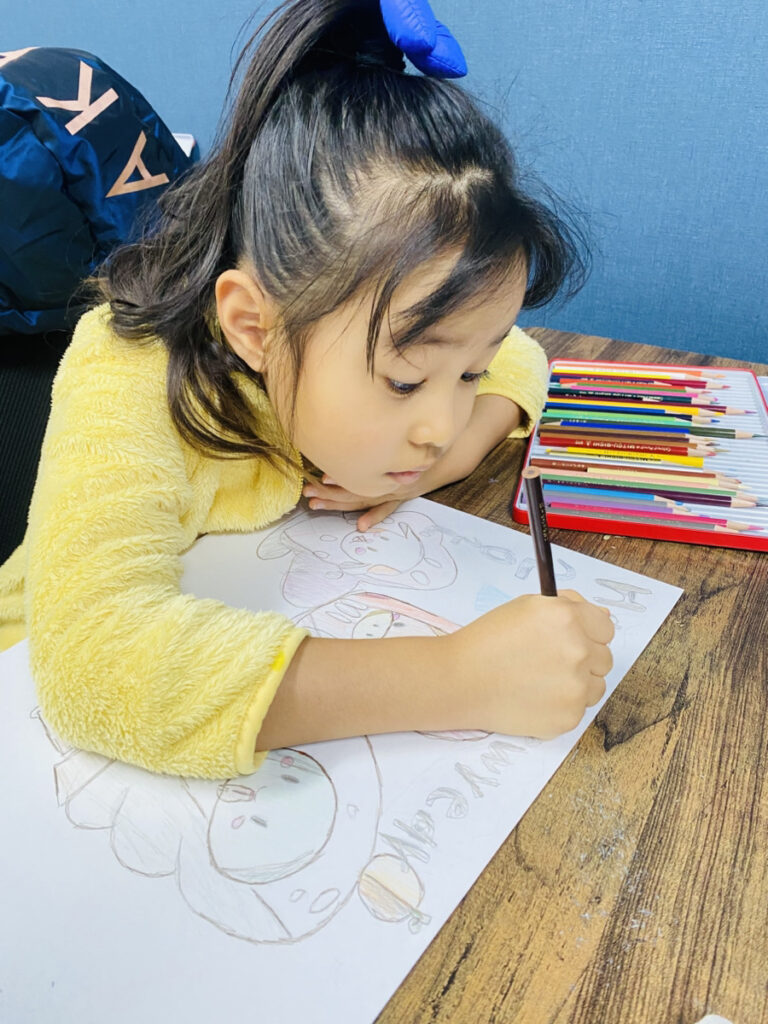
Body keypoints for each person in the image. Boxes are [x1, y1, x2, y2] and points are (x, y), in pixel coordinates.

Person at [0, 0, 614, 778]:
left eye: (465, 375)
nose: (439, 419)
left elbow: (517, 353)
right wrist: (460, 677)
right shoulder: (128, 369)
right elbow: (94, 663)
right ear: (254, 329)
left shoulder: (357, 335)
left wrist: (459, 448)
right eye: (404, 380)